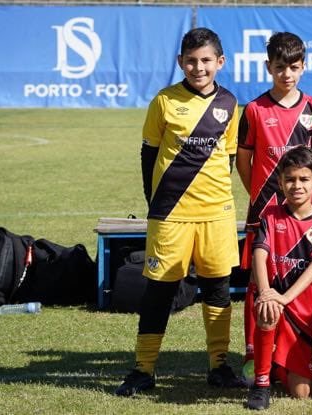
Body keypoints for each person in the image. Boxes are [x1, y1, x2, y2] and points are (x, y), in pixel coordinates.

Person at [115, 28, 245, 396]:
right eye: (191, 60)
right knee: (159, 291)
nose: (198, 67)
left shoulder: (231, 103)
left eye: (206, 60)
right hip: (171, 214)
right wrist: (155, 202)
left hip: (216, 214)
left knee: (218, 289)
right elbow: (148, 155)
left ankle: (219, 366)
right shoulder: (164, 101)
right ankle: (143, 369)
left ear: (220, 62)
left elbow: (230, 158)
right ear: (180, 63)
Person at [236, 31, 312, 382]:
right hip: (264, 213)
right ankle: (254, 352)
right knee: (259, 282)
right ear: (268, 66)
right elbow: (243, 160)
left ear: (304, 68)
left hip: (303, 215)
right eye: (280, 67)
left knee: (302, 278)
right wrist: (259, 195)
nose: (287, 74)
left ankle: (299, 350)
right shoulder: (254, 109)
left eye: (294, 67)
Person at [245, 147, 312, 409]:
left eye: (304, 179)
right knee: (267, 308)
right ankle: (261, 384)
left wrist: (285, 298)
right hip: (273, 300)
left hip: (300, 312)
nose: (297, 185)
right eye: (290, 179)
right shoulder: (270, 216)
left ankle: (274, 364)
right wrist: (266, 293)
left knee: (302, 393)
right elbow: (259, 255)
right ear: (280, 182)